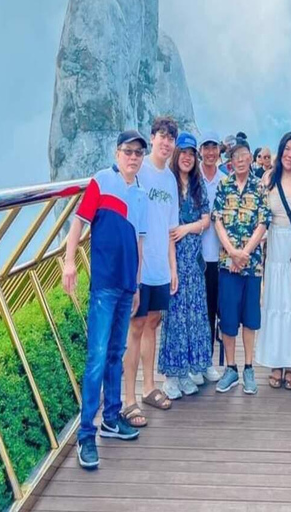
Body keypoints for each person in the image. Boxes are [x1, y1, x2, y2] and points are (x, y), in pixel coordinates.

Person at [62, 130, 148, 469]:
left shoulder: (140, 195)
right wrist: (69, 261)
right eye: (128, 152)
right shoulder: (100, 182)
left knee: (116, 352)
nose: (133, 158)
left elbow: (139, 242)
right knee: (96, 357)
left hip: (127, 285)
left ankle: (112, 418)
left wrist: (138, 284)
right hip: (104, 285)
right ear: (117, 154)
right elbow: (78, 223)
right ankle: (86, 434)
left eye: (138, 153)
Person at [123, 117, 178, 425]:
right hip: (138, 265)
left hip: (159, 264)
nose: (166, 143)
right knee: (136, 326)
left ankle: (149, 387)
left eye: (171, 138)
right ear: (152, 138)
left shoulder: (169, 179)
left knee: (152, 322)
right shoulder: (138, 171)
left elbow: (170, 227)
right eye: (161, 136)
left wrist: (173, 268)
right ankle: (129, 399)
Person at [213, 136, 272, 394]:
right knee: (228, 319)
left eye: (244, 157)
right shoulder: (223, 187)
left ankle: (248, 368)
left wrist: (244, 253)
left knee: (249, 318)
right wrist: (232, 252)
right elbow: (217, 221)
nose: (240, 161)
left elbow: (263, 222)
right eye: (235, 157)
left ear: (250, 159)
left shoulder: (259, 188)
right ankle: (231, 369)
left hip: (251, 264)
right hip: (227, 263)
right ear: (230, 161)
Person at [158, 133, 213, 399]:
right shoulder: (168, 184)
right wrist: (171, 268)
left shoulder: (197, 185)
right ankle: (172, 375)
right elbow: (166, 226)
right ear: (176, 155)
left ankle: (190, 368)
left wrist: (186, 228)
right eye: (184, 152)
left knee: (194, 315)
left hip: (194, 260)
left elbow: (206, 220)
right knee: (175, 317)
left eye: (192, 153)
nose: (188, 158)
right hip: (174, 259)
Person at [256, 132, 291, 390]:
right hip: (275, 245)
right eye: (286, 149)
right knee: (276, 302)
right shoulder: (269, 178)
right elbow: (261, 215)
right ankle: (277, 362)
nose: (290, 154)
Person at [198, 131, 226, 380]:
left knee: (216, 310)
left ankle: (207, 362)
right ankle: (198, 361)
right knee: (198, 311)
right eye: (205, 148)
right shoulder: (193, 179)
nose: (210, 152)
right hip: (196, 258)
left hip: (219, 256)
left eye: (213, 148)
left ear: (219, 151)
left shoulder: (224, 181)